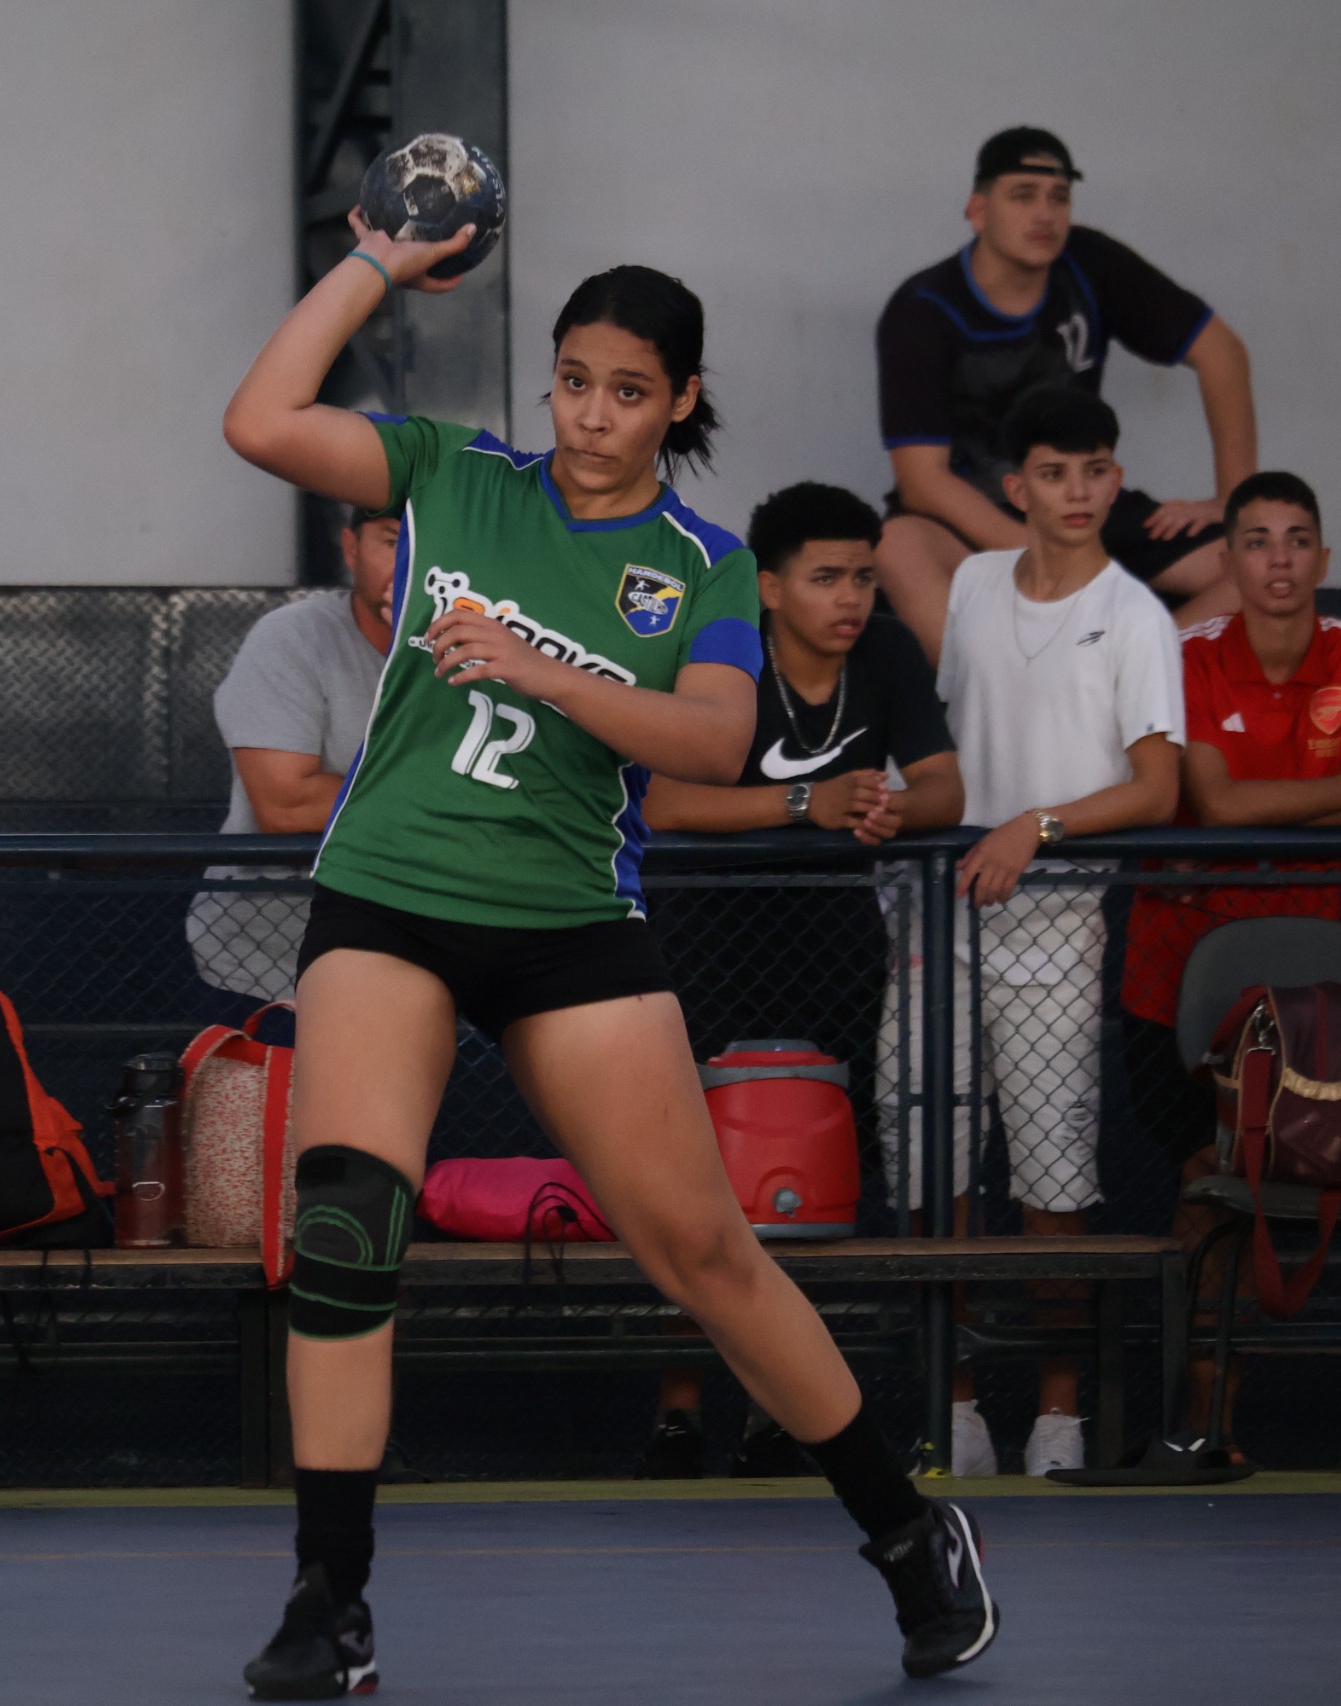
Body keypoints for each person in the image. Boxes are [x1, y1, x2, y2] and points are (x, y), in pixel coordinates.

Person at [222, 222, 997, 1692]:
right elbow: (259, 419)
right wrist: (375, 262)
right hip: (389, 896)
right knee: (346, 1222)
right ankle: (331, 1596)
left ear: (680, 401)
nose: (590, 415)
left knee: (701, 1250)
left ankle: (908, 1533)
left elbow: (714, 738)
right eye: (572, 381)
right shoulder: (453, 474)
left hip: (569, 919)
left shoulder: (702, 565)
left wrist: (537, 667)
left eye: (628, 392)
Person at [638, 480, 963, 1477]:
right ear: (769, 587)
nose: (851, 597)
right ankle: (678, 1410)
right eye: (826, 577)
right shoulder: (719, 648)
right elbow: (661, 801)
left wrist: (886, 811)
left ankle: (778, 1409)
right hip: (704, 938)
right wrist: (801, 804)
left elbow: (944, 787)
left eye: (863, 576)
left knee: (806, 1179)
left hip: (833, 942)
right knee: (692, 1179)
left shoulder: (888, 653)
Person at [909, 386, 1182, 1477]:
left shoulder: (1138, 615)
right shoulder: (974, 581)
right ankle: (956, 1405)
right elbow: (897, 540)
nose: (1079, 490)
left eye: (1096, 469)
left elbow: (1158, 786)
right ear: (1016, 486)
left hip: (1059, 928)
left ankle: (1059, 1418)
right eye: (1055, 472)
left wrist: (1037, 823)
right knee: (929, 1173)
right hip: (937, 923)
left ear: (1116, 479)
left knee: (1054, 1187)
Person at [1117, 472, 1341, 1444]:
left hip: (1309, 1000)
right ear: (1229, 560)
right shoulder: (1186, 652)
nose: (1279, 560)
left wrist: (1254, 811)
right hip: (1174, 983)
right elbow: (1220, 802)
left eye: (1297, 540)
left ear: (1323, 557)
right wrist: (1340, 792)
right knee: (1206, 1192)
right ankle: (1199, 1429)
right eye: (1256, 540)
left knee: (1330, 1200)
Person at [873, 126, 1256, 662]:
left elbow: (1222, 353)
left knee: (1258, 566)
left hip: (1081, 503)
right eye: (1023, 196)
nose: (1045, 215)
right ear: (979, 211)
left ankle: (1129, 670)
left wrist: (1233, 500)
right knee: (896, 546)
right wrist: (1039, 552)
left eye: (1059, 198)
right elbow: (922, 483)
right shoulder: (923, 308)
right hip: (972, 519)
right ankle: (991, 692)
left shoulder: (1089, 262)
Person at [186, 504, 400, 1018]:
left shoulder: (498, 642)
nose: (414, 560)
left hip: (437, 965)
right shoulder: (295, 635)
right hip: (273, 967)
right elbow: (286, 805)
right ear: (352, 549)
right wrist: (462, 797)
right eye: (393, 542)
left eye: (437, 541)